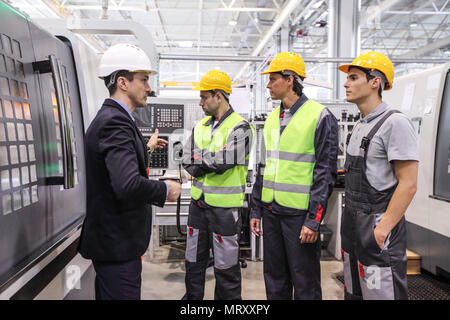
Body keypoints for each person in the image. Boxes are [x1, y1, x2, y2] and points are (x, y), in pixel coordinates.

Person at [78, 43, 182, 300]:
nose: (149, 88)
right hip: (117, 246)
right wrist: (167, 189)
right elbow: (126, 184)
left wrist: (143, 150)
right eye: (144, 80)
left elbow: (115, 168)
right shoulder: (115, 122)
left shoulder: (114, 118)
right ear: (123, 83)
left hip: (114, 244)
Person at [250, 52, 339, 300]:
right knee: (274, 280)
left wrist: (314, 219)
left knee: (304, 283)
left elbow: (325, 174)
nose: (268, 85)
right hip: (271, 211)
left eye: (273, 79)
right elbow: (263, 167)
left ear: (290, 79)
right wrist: (256, 209)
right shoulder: (270, 119)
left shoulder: (320, 116)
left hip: (299, 217)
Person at [338, 51, 418, 300]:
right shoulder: (361, 124)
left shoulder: (395, 123)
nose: (345, 83)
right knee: (354, 292)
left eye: (353, 77)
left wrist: (382, 230)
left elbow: (409, 184)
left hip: (375, 225)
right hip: (352, 224)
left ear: (375, 82)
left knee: (380, 294)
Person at [182, 70, 254, 300]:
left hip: (225, 211)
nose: (200, 102)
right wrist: (209, 159)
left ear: (219, 96)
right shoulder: (200, 126)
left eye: (204, 97)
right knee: (193, 264)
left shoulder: (241, 128)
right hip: (198, 208)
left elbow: (225, 162)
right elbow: (184, 158)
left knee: (226, 271)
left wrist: (201, 158)